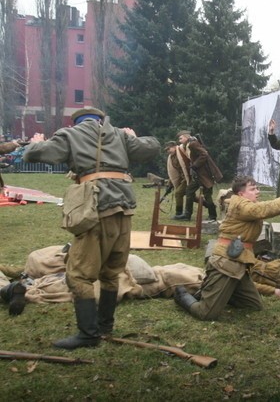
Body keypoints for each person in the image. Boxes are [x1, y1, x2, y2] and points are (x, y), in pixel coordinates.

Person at [23, 107, 160, 349]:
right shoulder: (119, 134)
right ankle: (105, 327)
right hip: (124, 209)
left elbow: (35, 155)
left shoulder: (71, 134)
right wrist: (133, 136)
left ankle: (88, 335)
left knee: (77, 275)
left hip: (97, 209)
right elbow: (152, 146)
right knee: (110, 272)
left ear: (78, 121)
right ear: (100, 120)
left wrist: (36, 142)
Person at [172, 175, 280, 321]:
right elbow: (266, 209)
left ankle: (221, 293)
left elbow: (271, 205)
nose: (257, 191)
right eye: (253, 189)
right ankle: (182, 295)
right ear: (241, 193)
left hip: (239, 263)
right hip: (226, 263)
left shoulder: (247, 205)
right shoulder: (240, 205)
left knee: (252, 305)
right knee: (206, 313)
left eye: (257, 188)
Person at [173, 130, 222, 222]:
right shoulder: (189, 144)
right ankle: (187, 215)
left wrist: (195, 165)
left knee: (206, 195)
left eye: (181, 138)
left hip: (204, 174)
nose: (179, 141)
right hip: (199, 175)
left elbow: (204, 154)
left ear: (186, 137)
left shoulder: (192, 144)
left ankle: (212, 215)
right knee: (190, 191)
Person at [164, 141, 190, 220]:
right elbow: (173, 171)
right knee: (190, 195)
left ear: (174, 146)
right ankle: (207, 204)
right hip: (182, 178)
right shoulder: (171, 157)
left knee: (178, 193)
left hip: (188, 177)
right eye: (166, 150)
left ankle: (178, 213)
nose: (168, 151)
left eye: (169, 149)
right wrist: (170, 181)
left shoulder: (182, 152)